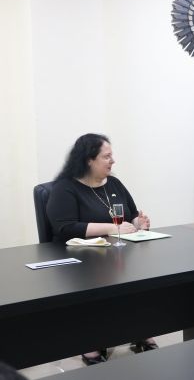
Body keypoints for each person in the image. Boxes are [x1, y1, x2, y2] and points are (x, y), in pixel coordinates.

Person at [46, 133, 156, 365]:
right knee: (103, 283)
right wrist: (113, 227)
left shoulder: (114, 184)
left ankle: (140, 330)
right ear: (89, 160)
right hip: (80, 260)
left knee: (144, 278)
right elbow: (65, 228)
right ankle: (92, 344)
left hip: (117, 254)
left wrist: (138, 223)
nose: (112, 161)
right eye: (106, 156)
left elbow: (132, 215)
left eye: (111, 156)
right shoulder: (65, 188)